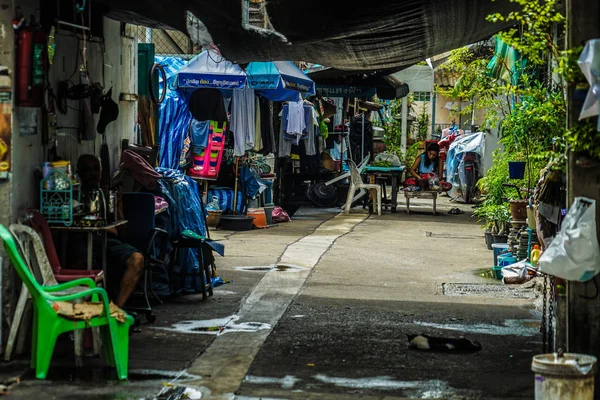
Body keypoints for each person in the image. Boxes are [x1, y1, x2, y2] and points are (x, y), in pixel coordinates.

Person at [75, 154, 145, 308]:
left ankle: (115, 310)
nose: (93, 173)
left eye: (96, 169)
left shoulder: (106, 195)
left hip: (109, 242)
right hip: (84, 242)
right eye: (87, 170)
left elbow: (121, 231)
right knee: (86, 266)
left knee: (137, 259)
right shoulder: (75, 196)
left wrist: (118, 202)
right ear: (79, 173)